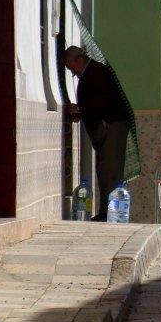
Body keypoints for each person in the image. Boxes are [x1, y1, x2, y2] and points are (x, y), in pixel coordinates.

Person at [64, 46, 131, 221]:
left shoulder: (97, 72)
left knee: (110, 170)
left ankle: (108, 215)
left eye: (72, 68)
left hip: (112, 125)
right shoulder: (93, 71)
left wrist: (79, 109)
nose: (73, 72)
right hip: (107, 126)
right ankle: (105, 212)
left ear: (79, 60)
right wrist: (81, 113)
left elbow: (101, 101)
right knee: (104, 170)